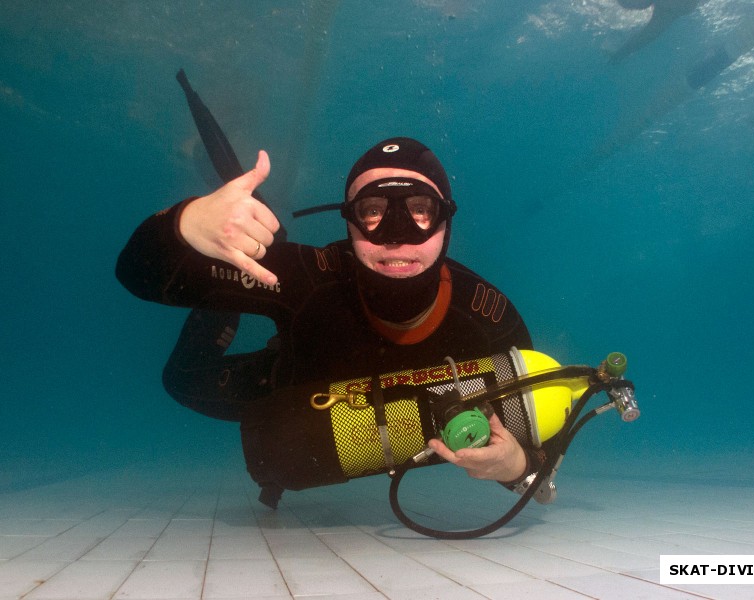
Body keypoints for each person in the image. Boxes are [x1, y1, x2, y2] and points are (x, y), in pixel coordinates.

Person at [116, 137, 543, 506]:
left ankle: (248, 255)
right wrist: (185, 223)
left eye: (420, 210)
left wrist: (516, 466)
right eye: (372, 210)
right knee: (181, 379)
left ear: (446, 220)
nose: (396, 234)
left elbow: (542, 437)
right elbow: (138, 273)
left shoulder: (488, 318)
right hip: (288, 383)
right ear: (348, 219)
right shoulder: (312, 278)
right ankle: (229, 291)